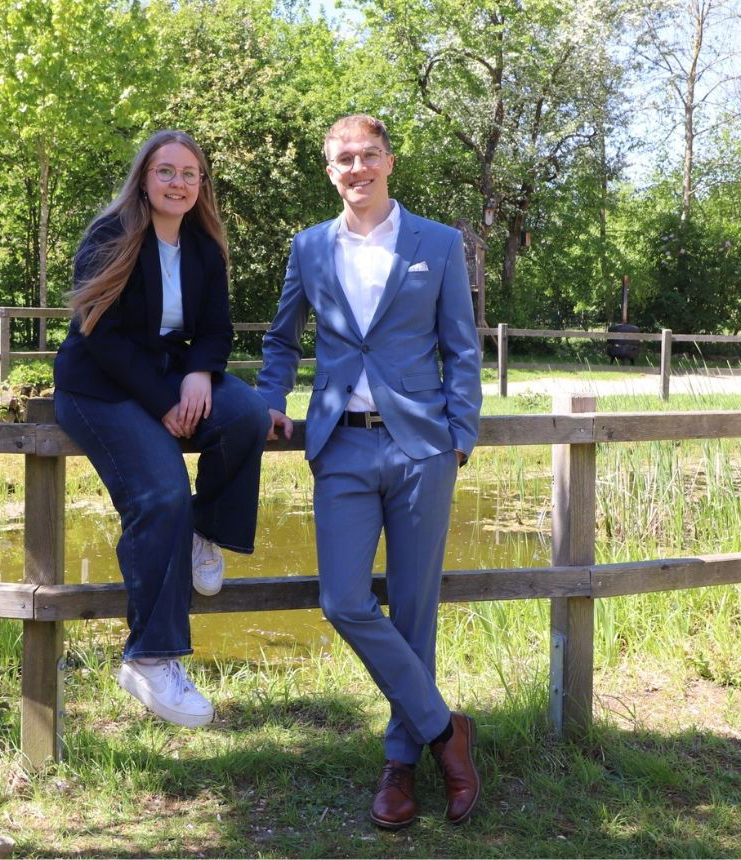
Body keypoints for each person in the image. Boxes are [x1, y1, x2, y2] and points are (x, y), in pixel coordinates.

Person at [257, 114, 483, 828]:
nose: (357, 168)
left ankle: (399, 767)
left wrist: (460, 434)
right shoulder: (307, 248)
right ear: (330, 171)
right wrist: (270, 400)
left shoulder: (439, 244)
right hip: (342, 448)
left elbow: (462, 346)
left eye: (369, 156)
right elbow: (280, 338)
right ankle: (447, 732)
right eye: (343, 159)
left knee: (415, 611)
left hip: (422, 449)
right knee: (345, 600)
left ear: (390, 163)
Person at [55, 130, 270, 728]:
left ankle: (207, 530)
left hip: (173, 377)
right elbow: (102, 334)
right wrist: (162, 403)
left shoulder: (204, 246)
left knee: (246, 416)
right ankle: (150, 658)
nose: (178, 183)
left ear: (202, 184)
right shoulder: (111, 234)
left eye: (190, 173)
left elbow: (217, 329)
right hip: (101, 386)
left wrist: (201, 374)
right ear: (145, 178)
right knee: (162, 493)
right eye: (166, 171)